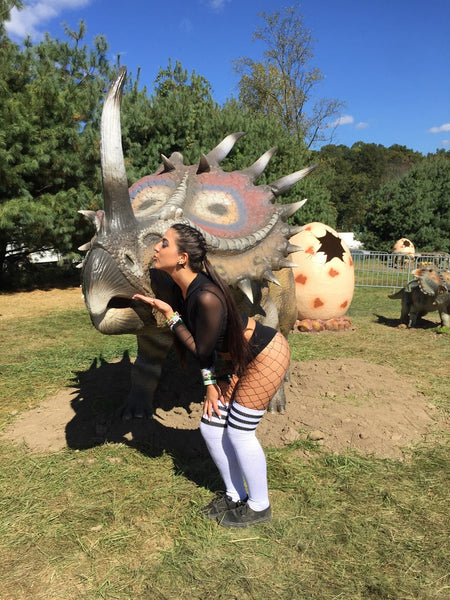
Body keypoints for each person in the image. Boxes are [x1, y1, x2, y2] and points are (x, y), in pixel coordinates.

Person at [133, 223, 290, 528]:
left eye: (164, 243)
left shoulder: (205, 295)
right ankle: (234, 495)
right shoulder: (188, 288)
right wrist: (213, 381)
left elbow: (200, 349)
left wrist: (170, 316)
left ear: (182, 258)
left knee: (239, 432)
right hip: (237, 360)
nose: (156, 248)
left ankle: (259, 506)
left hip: (265, 356)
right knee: (211, 426)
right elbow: (208, 350)